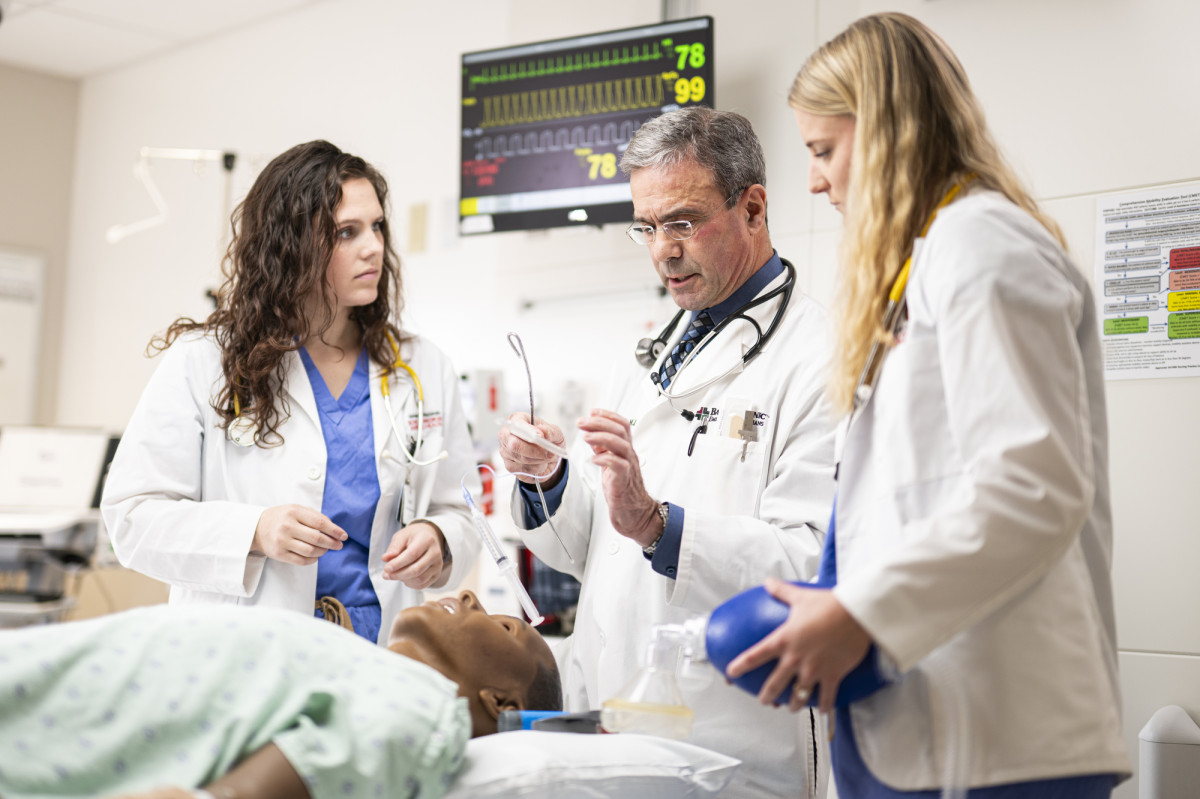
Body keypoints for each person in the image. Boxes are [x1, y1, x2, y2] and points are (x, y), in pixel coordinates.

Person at [726, 12, 1131, 797]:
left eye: (822, 150)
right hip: (928, 714)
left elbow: (1035, 485)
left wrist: (862, 612)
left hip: (997, 734)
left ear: (885, 132)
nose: (815, 180)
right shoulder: (924, 266)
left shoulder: (984, 244)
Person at [498, 107, 837, 798]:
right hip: (618, 723)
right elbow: (599, 547)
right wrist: (552, 480)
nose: (662, 250)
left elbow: (811, 567)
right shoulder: (648, 354)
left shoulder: (821, 357)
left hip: (732, 745)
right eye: (647, 227)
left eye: (682, 222)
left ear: (753, 206)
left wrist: (661, 526)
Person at [101, 140, 481, 645]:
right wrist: (253, 532)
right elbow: (131, 517)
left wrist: (440, 540)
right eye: (347, 232)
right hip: (245, 656)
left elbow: (463, 511)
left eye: (377, 227)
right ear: (291, 244)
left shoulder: (420, 365)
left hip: (379, 651)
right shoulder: (205, 361)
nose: (373, 247)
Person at [0, 590, 561, 799]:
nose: (469, 593)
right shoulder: (368, 671)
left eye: (506, 626)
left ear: (501, 703)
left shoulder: (426, 713)